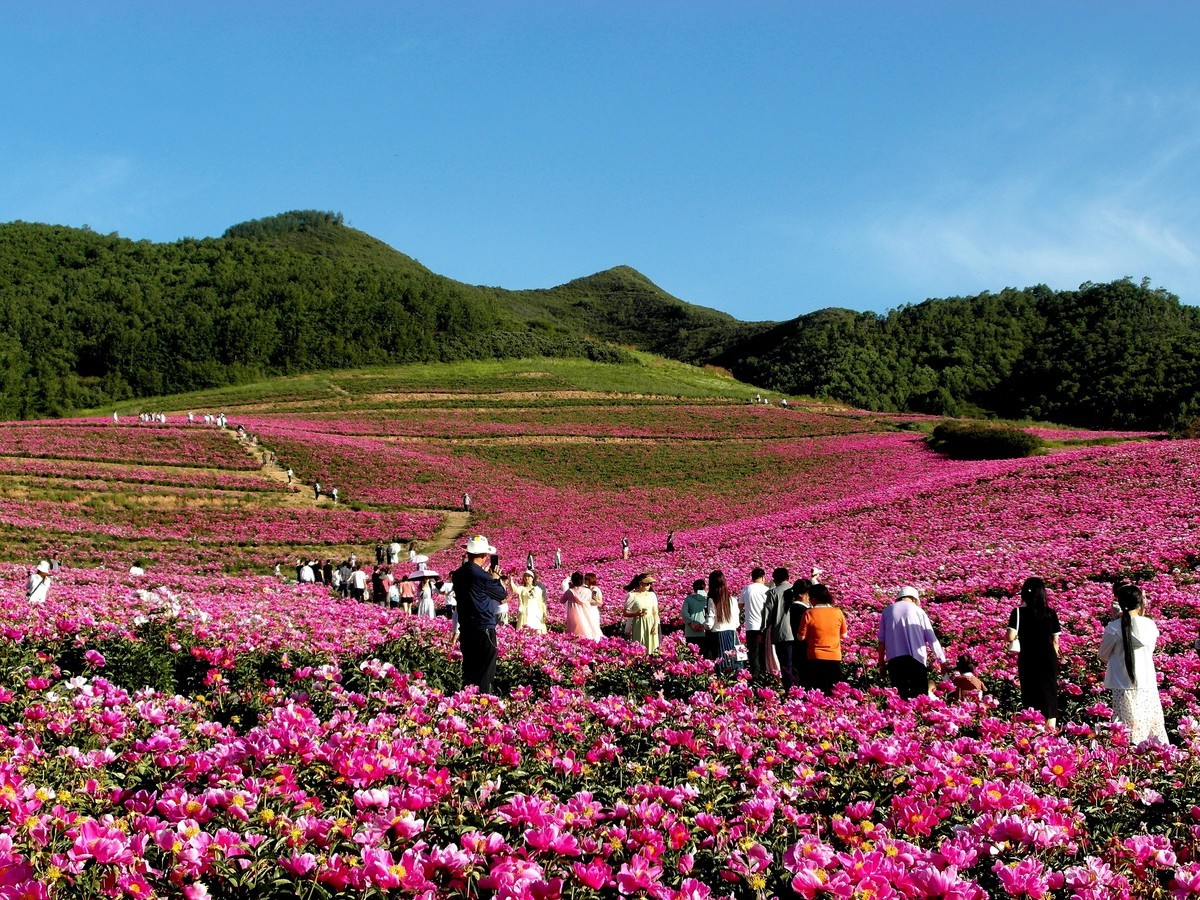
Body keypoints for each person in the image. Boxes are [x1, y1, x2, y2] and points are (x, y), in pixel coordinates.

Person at [1099, 584, 1168, 744]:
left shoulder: (1114, 628)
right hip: (1147, 684)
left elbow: (1103, 655)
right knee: (1150, 726)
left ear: (1120, 603)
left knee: (1127, 729)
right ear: (1141, 602)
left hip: (1122, 685)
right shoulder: (1150, 625)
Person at [451, 535, 507, 694]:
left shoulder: (458, 574)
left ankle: (467, 702)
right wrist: (495, 578)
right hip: (484, 628)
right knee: (485, 671)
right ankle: (483, 702)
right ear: (484, 556)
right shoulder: (483, 577)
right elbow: (501, 594)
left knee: (469, 669)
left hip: (466, 628)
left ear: (468, 553)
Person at [1005, 576, 1062, 729]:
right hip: (1047, 658)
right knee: (1049, 694)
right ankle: (1050, 730)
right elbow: (1055, 641)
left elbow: (1010, 636)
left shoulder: (1017, 612)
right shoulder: (1050, 613)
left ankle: (1032, 727)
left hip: (1028, 658)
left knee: (1030, 692)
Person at [878, 586, 946, 700]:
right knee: (920, 699)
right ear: (914, 599)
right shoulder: (918, 611)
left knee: (900, 698)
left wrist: (881, 664)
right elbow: (931, 637)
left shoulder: (887, 611)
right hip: (916, 660)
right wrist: (942, 660)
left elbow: (881, 642)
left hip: (895, 661)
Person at [797, 584, 847, 695]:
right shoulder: (838, 612)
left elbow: (801, 637)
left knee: (818, 691)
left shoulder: (809, 613)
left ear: (814, 598)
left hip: (815, 656)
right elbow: (844, 635)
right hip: (834, 656)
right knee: (834, 691)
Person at [763, 568, 796, 690]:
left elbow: (767, 614)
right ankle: (799, 688)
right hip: (796, 632)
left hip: (781, 632)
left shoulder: (773, 592)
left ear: (775, 579)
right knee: (796, 663)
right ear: (788, 577)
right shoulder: (796, 590)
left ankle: (789, 689)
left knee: (785, 663)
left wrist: (764, 629)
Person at [704, 570, 743, 673]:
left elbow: (709, 624)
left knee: (721, 663)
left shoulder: (712, 601)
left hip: (718, 636)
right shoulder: (733, 600)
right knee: (733, 662)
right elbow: (737, 622)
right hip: (731, 634)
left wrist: (702, 625)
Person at [739, 568, 769, 680]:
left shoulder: (746, 590)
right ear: (762, 577)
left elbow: (740, 608)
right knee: (764, 652)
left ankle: (755, 676)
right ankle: (764, 675)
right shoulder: (767, 590)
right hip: (764, 626)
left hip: (751, 626)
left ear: (752, 577)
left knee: (753, 653)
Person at [623, 573, 660, 653]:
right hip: (639, 624)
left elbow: (655, 612)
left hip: (651, 623)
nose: (649, 585)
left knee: (652, 647)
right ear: (640, 583)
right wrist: (636, 614)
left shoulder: (652, 595)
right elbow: (625, 613)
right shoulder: (632, 596)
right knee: (640, 646)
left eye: (650, 584)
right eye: (647, 584)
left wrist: (656, 625)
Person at [788, 578, 814, 689]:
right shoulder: (800, 610)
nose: (810, 597)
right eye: (808, 594)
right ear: (800, 594)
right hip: (801, 646)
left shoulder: (793, 608)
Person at [563, 572, 602, 640]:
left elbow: (594, 600)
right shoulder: (587, 589)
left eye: (586, 579)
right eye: (584, 579)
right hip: (587, 608)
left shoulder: (594, 590)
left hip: (591, 609)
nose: (584, 580)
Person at [681, 578, 709, 653]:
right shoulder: (708, 599)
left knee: (692, 656)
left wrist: (691, 623)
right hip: (705, 632)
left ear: (694, 589)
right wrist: (704, 626)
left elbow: (684, 613)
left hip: (690, 632)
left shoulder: (688, 599)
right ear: (705, 587)